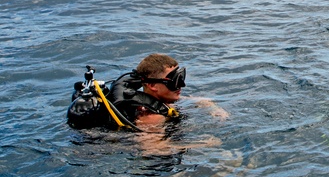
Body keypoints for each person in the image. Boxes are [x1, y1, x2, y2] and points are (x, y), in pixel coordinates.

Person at [67, 53, 226, 130]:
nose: (181, 85)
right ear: (153, 86)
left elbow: (196, 99)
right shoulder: (152, 118)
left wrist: (213, 108)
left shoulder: (158, 100)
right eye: (175, 81)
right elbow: (154, 151)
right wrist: (204, 144)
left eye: (181, 77)